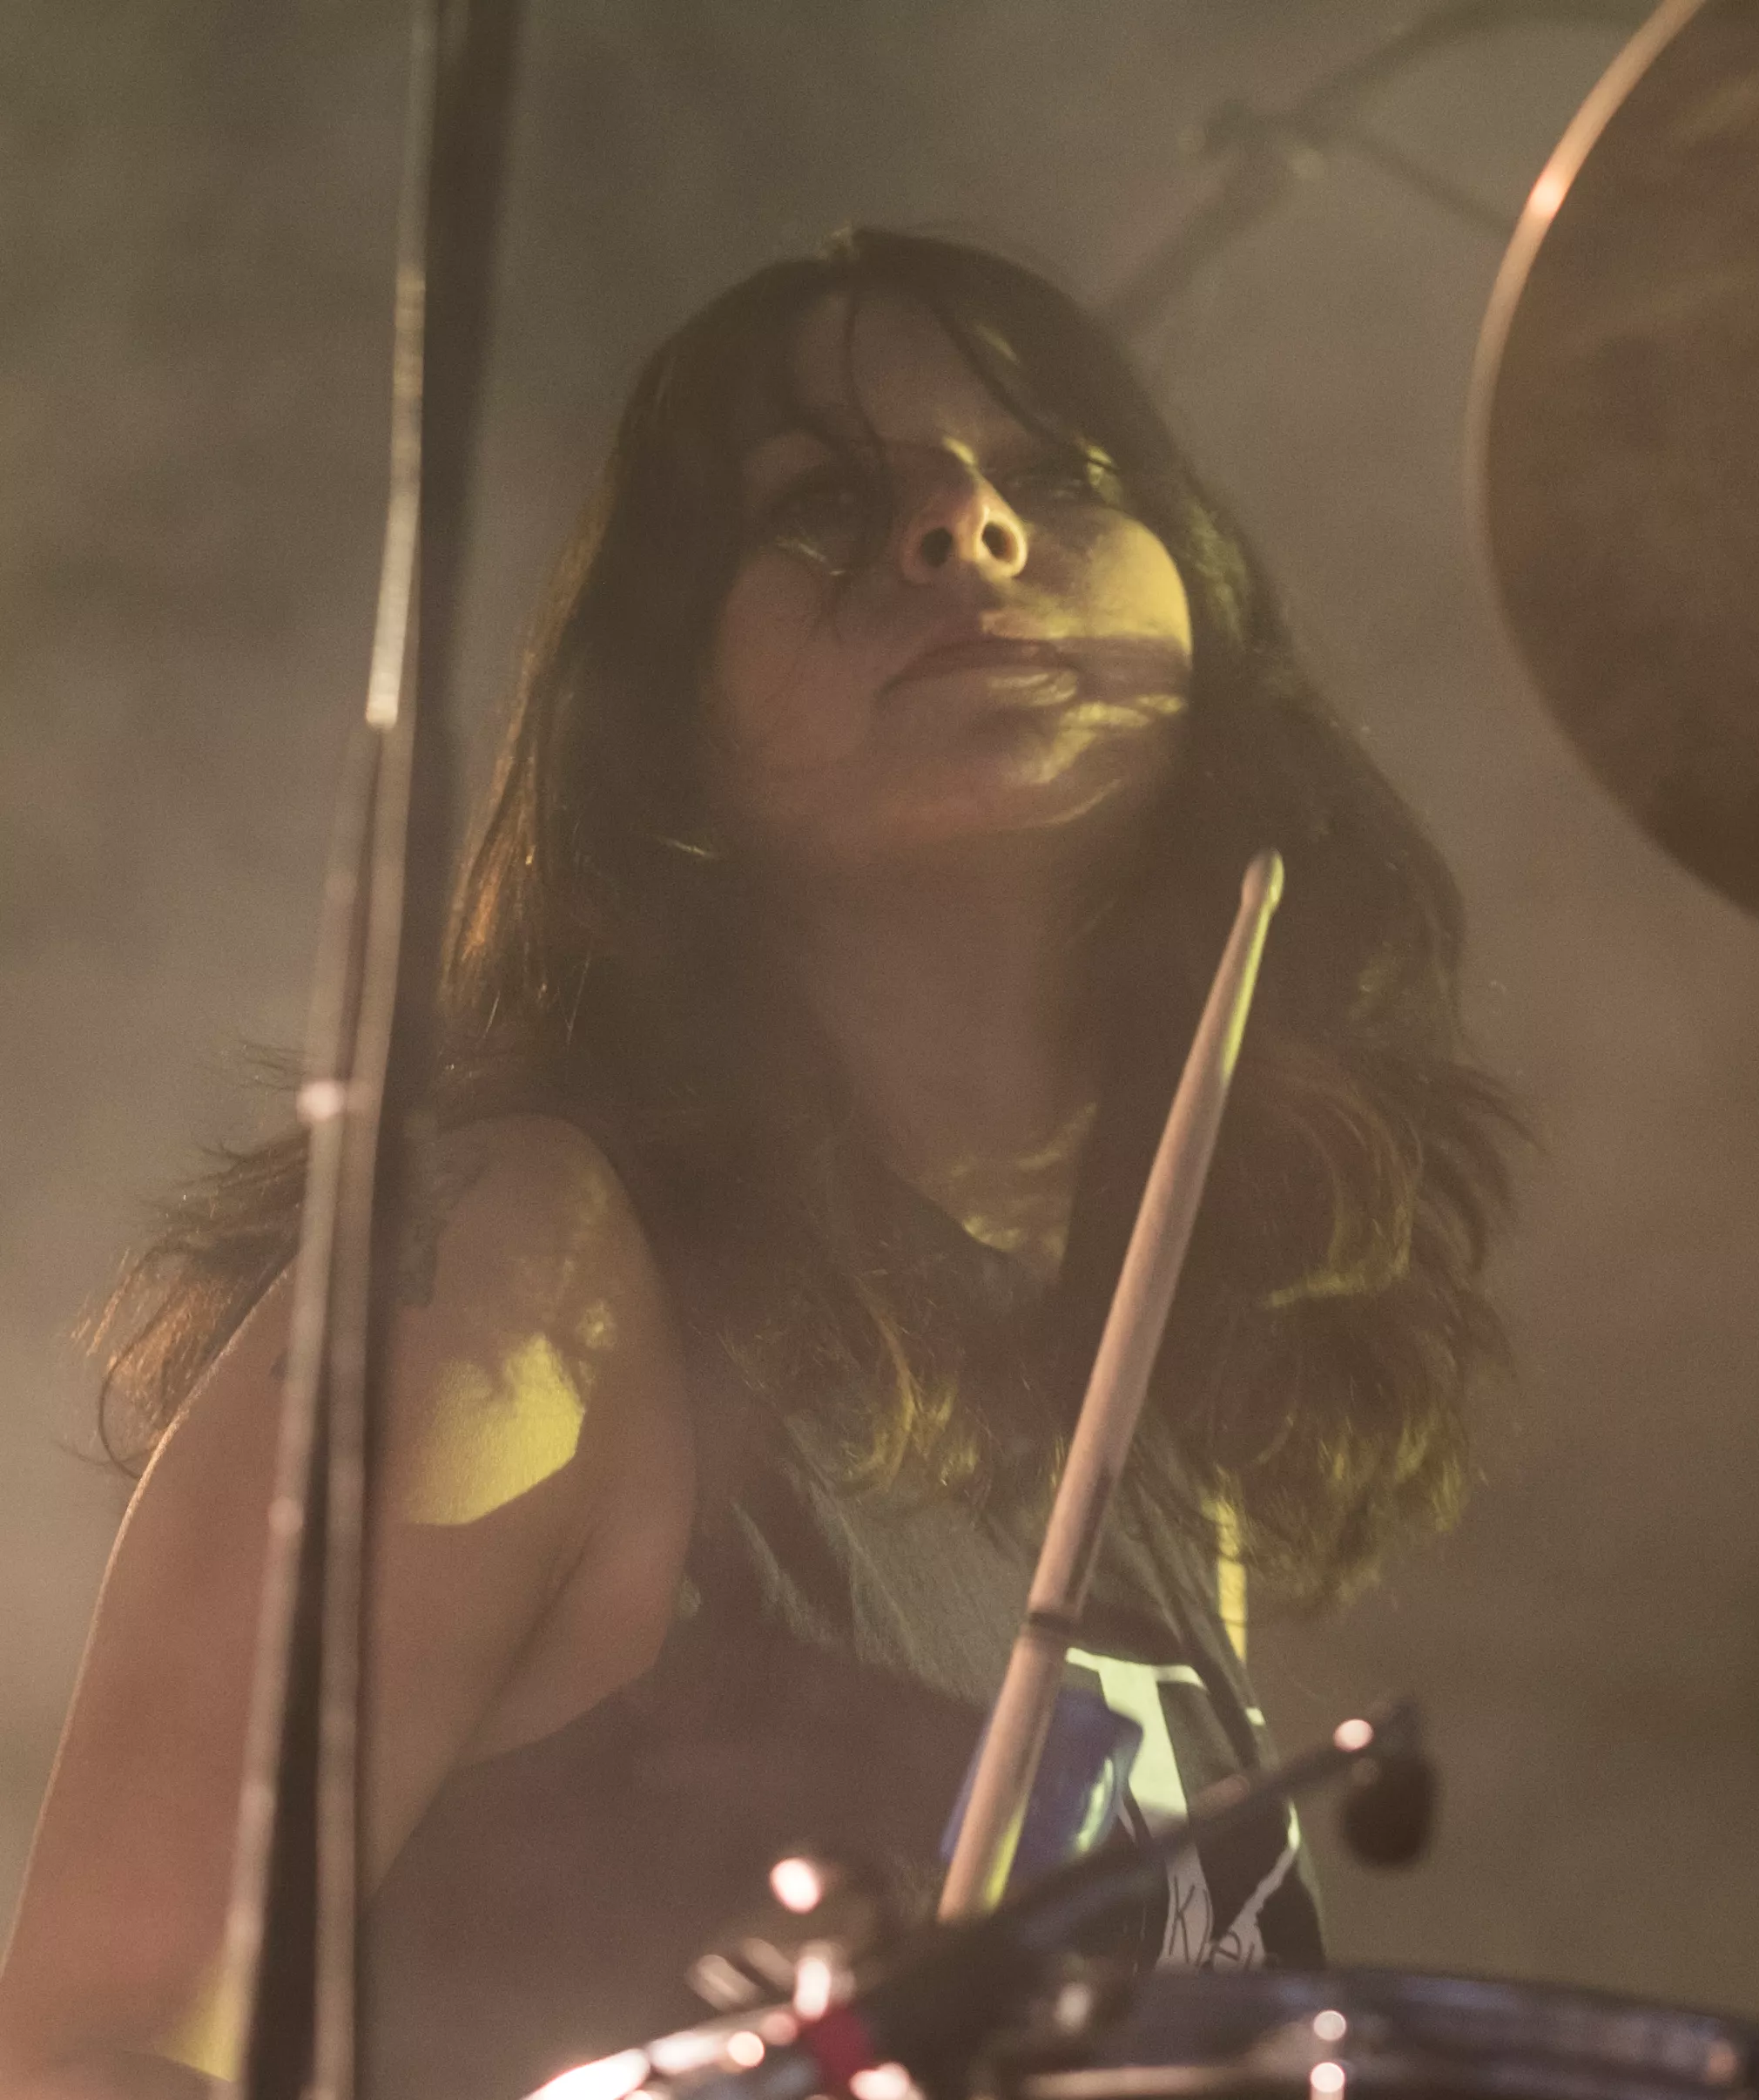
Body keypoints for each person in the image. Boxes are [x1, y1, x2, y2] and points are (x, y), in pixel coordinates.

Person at [0, 227, 1516, 2100]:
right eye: (819, 505)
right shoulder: (527, 1263)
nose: (965, 526)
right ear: (664, 729)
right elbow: (87, 2049)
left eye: (1056, 475)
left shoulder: (1140, 1415)